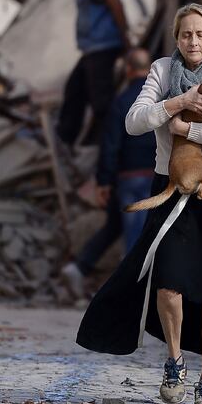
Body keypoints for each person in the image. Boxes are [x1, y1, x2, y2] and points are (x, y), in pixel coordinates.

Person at [76, 3, 202, 404]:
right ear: (176, 38)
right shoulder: (161, 71)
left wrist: (184, 129)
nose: (192, 42)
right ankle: (175, 361)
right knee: (168, 282)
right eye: (185, 35)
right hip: (174, 187)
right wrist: (179, 103)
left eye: (200, 34)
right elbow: (134, 121)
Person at [61, 48, 157, 300]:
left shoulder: (121, 100)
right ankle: (133, 295)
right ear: (150, 70)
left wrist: (104, 181)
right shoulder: (162, 100)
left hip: (128, 178)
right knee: (138, 233)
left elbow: (111, 145)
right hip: (156, 175)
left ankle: (79, 267)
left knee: (122, 226)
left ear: (127, 69)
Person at [56, 0, 131, 149]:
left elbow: (115, 4)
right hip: (93, 49)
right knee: (75, 90)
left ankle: (110, 143)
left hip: (103, 48)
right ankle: (66, 138)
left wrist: (125, 38)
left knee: (101, 101)